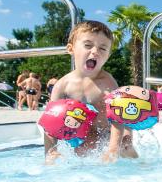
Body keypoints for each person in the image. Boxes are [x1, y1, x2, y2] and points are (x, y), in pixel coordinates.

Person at [45, 20, 137, 163]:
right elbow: (50, 123)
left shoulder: (108, 82)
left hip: (108, 132)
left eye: (103, 48)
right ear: (71, 49)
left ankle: (141, 166)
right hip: (81, 135)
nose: (95, 51)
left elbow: (118, 118)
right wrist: (51, 152)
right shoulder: (62, 85)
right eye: (88, 45)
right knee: (81, 150)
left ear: (108, 55)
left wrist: (113, 150)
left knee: (126, 144)